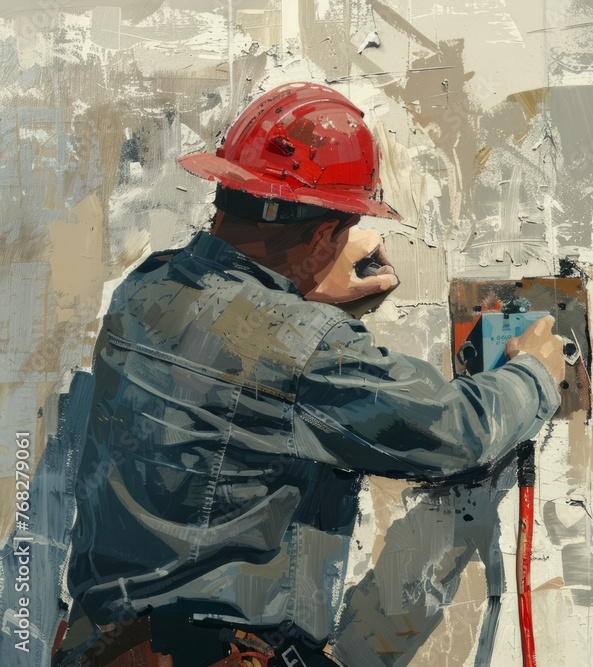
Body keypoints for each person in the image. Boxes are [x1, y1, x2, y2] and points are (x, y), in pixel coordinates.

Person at [55, 82, 565, 667]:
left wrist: (299, 283)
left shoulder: (143, 290)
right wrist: (536, 371)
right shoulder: (302, 347)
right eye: (339, 233)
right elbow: (455, 432)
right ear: (324, 234)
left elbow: (238, 338)